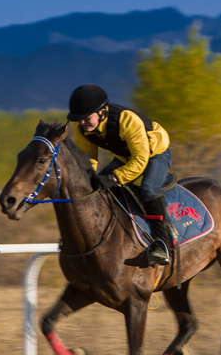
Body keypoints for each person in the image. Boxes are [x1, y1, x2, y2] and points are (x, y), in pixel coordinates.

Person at [66, 83, 174, 266]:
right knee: (97, 187)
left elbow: (140, 159)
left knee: (148, 190)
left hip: (155, 153)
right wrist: (90, 178)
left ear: (102, 112)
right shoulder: (82, 128)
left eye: (86, 118)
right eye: (79, 119)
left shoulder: (127, 120)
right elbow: (88, 159)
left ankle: (163, 244)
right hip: (125, 156)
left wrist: (114, 177)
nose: (82, 123)